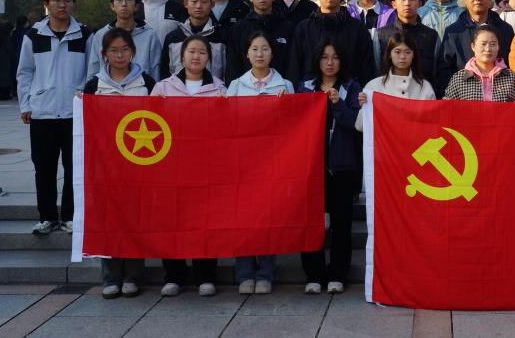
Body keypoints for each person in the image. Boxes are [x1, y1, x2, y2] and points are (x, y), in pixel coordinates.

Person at [82, 27, 155, 299]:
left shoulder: (147, 82)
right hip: (106, 166)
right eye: (114, 50)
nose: (120, 55)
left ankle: (133, 276)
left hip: (139, 163)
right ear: (104, 54)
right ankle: (111, 277)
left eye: (124, 50)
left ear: (133, 52)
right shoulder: (94, 85)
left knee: (135, 217)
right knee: (108, 217)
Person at [151, 35, 226, 297]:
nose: (196, 57)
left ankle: (205, 276)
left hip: (206, 167)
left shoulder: (219, 89)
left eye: (202, 53)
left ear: (209, 58)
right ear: (181, 56)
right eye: (191, 51)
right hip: (171, 167)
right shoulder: (163, 87)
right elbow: (150, 123)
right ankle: (174, 275)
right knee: (172, 221)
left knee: (206, 221)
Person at [17, 0, 92, 235]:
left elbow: (91, 72)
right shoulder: (33, 36)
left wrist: (86, 100)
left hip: (75, 113)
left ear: (73, 4)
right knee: (44, 168)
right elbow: (25, 72)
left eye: (67, 0)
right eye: (57, 0)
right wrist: (25, 104)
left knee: (74, 168)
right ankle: (47, 216)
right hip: (43, 112)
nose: (63, 5)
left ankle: (70, 216)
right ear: (46, 4)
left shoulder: (84, 34)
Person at [226, 32, 291, 295]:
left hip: (273, 163)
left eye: (265, 49)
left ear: (272, 53)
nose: (260, 53)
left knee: (268, 218)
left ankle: (265, 273)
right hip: (242, 163)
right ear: (247, 54)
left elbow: (294, 124)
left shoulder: (284, 85)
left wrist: (287, 105)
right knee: (242, 219)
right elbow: (226, 124)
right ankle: (244, 274)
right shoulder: (236, 85)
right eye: (255, 49)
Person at [300, 39, 363, 295]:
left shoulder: (351, 86)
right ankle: (314, 275)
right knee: (311, 222)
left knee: (341, 223)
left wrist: (337, 104)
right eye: (324, 57)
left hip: (343, 167)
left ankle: (338, 274)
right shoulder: (305, 87)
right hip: (311, 168)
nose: (329, 63)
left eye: (335, 57)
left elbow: (356, 123)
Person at [287, 0, 377, 90]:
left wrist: (364, 92)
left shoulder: (357, 28)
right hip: (311, 93)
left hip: (349, 93)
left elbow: (366, 67)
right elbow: (294, 65)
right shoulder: (304, 28)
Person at [435, 0, 515, 92]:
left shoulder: (505, 29)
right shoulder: (453, 32)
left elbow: (511, 63)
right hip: (463, 93)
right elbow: (444, 68)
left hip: (500, 91)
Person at [356, 33, 437, 131]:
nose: (402, 56)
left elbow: (433, 125)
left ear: (414, 55)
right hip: (385, 141)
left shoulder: (425, 87)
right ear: (389, 54)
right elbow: (360, 127)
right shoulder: (374, 86)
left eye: (407, 52)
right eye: (397, 52)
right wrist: (364, 107)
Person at [225, 0, 294, 81]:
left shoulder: (287, 27)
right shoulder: (238, 29)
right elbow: (232, 66)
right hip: (246, 89)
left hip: (281, 88)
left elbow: (292, 64)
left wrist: (289, 87)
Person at [87, 0, 162, 81]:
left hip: (141, 88)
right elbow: (93, 69)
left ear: (136, 6)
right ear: (112, 6)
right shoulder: (101, 35)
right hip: (107, 88)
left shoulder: (150, 35)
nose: (124, 4)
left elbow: (155, 70)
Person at [375, 0, 439, 85]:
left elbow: (436, 70)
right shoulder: (381, 35)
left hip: (422, 90)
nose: (407, 3)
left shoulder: (431, 35)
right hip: (389, 91)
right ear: (394, 4)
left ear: (420, 3)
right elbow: (377, 68)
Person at [160, 0, 228, 81]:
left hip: (214, 89)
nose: (198, 6)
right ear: (186, 4)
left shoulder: (223, 37)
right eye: (194, 1)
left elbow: (229, 72)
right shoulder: (173, 38)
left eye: (204, 1)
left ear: (212, 5)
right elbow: (165, 73)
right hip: (177, 90)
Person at [443, 25, 515, 102]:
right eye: (483, 44)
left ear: (498, 47)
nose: (488, 49)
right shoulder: (459, 79)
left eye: (493, 44)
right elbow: (447, 108)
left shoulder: (510, 78)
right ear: (473, 46)